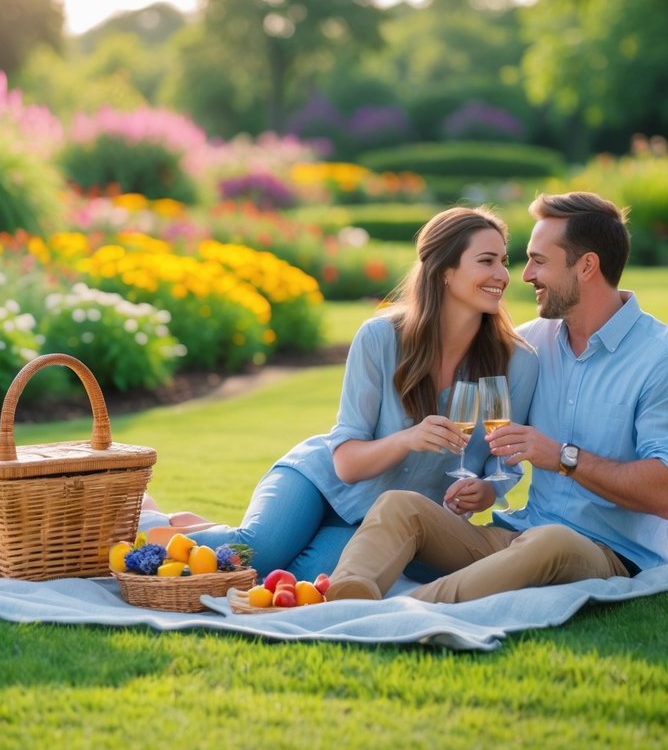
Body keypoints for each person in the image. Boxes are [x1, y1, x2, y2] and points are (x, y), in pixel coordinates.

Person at [326, 191, 668, 603]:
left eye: (539, 261)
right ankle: (348, 598)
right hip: (516, 535)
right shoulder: (529, 347)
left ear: (587, 266)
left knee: (551, 542)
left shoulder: (664, 360)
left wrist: (562, 457)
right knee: (401, 505)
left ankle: (409, 611)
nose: (523, 276)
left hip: (605, 551)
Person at [145, 206, 538, 579]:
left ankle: (204, 529)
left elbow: (503, 464)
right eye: (486, 261)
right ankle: (146, 532)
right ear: (444, 272)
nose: (502, 275)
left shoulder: (516, 362)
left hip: (385, 518)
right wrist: (407, 439)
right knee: (258, 553)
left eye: (504, 261)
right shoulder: (382, 338)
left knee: (298, 577)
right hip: (321, 480)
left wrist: (486, 491)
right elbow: (346, 464)